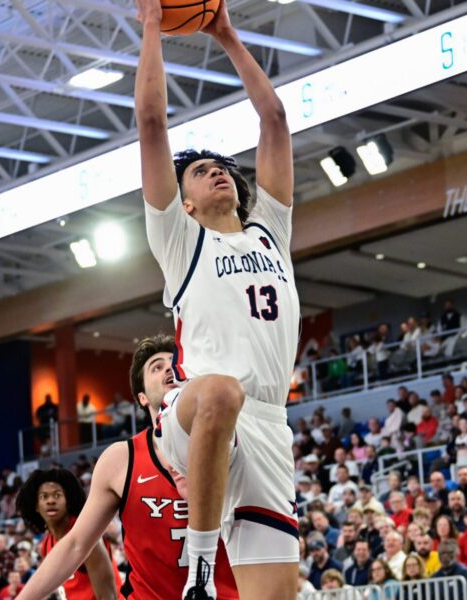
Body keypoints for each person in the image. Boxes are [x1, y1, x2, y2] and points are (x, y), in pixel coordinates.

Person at [126, 1, 302, 596]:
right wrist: (152, 22)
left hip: (270, 424)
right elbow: (151, 122)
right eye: (200, 172)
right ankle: (200, 572)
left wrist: (225, 31)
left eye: (221, 167)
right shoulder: (179, 238)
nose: (216, 172)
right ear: (187, 201)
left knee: (277, 592)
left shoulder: (269, 229)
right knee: (222, 388)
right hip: (196, 408)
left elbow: (274, 119)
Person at [17, 336, 238, 599]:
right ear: (142, 397)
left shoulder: (234, 444)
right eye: (157, 366)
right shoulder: (121, 459)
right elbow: (76, 544)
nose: (170, 368)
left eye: (176, 363)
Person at [14, 468, 119, 600]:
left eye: (57, 495)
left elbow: (108, 596)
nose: (50, 501)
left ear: (68, 502)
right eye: (44, 496)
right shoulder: (46, 545)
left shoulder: (87, 537)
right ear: (36, 506)